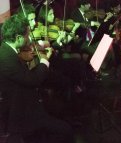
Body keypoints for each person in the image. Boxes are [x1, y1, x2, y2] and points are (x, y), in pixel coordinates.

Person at [0, 14, 74, 142]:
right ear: (18, 38)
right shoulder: (6, 58)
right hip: (23, 112)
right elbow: (34, 80)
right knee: (66, 131)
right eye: (27, 36)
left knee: (60, 111)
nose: (29, 39)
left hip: (31, 100)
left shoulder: (9, 49)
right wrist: (44, 60)